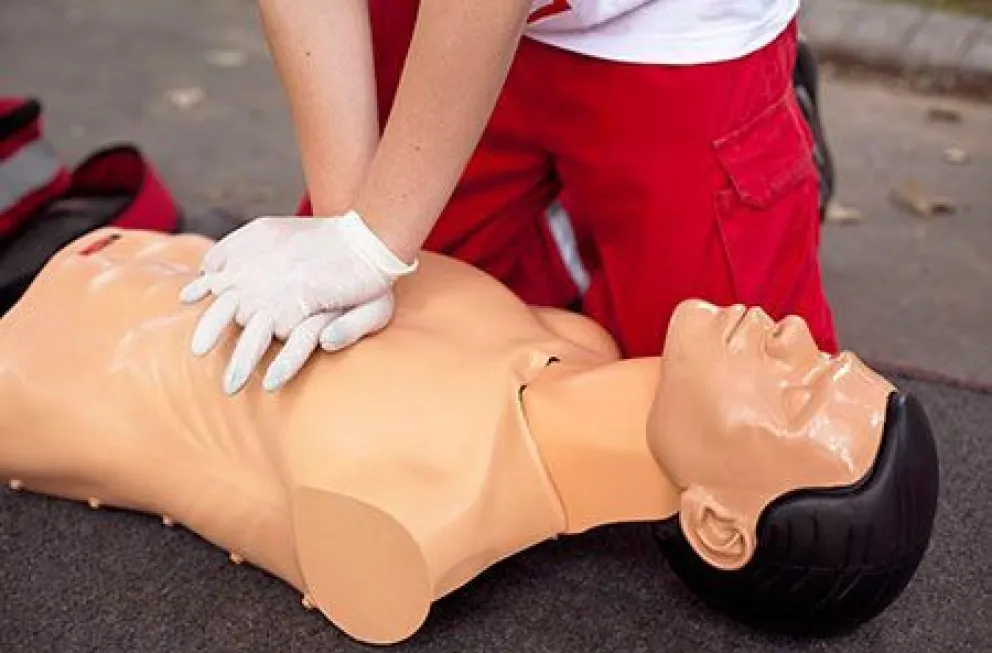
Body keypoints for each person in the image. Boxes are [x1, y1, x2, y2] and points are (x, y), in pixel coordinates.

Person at [1, 229, 937, 645]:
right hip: (123, 252)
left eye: (802, 399)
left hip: (28, 367)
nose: (795, 338)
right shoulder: (574, 341)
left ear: (720, 529)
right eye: (828, 356)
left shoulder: (415, 529)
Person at [178, 0, 839, 395]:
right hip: (438, 19)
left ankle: (778, 138)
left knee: (732, 406)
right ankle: (563, 233)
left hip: (670, 25)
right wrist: (343, 233)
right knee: (374, 357)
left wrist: (373, 243)